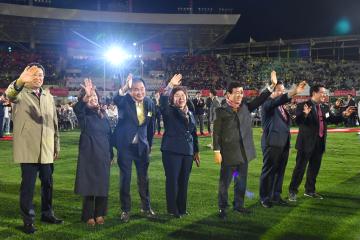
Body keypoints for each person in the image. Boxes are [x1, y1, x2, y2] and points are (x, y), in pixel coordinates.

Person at [5, 63, 63, 234]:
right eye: (34, 74)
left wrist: (56, 144)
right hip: (28, 148)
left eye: (41, 75)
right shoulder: (19, 93)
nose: (38, 78)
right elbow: (9, 93)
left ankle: (47, 213)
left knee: (48, 184)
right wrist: (20, 81)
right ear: (27, 76)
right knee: (28, 187)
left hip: (46, 148)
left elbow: (54, 122)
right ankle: (28, 220)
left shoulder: (48, 95)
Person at [213, 71, 278, 219]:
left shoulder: (245, 107)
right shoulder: (220, 111)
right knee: (225, 183)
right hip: (229, 155)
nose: (239, 95)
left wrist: (272, 85)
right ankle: (222, 208)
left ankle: (239, 205)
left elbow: (261, 99)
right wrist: (217, 150)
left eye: (241, 93)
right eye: (236, 93)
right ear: (228, 95)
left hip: (243, 153)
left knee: (241, 180)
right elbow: (216, 133)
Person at [288, 85, 355, 201]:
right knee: (300, 168)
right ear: (314, 93)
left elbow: (332, 119)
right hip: (306, 144)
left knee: (314, 168)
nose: (325, 95)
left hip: (319, 143)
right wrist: (305, 114)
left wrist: (344, 115)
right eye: (323, 93)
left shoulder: (323, 107)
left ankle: (310, 190)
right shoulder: (303, 105)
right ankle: (292, 191)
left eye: (325, 93)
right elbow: (298, 121)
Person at [112, 74, 156, 223]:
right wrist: (125, 86)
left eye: (142, 89)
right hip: (125, 147)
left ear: (145, 89)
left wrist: (150, 144)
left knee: (144, 179)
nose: (139, 92)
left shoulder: (149, 103)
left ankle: (146, 206)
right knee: (125, 180)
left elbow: (151, 126)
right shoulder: (125, 100)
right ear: (131, 91)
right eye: (136, 89)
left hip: (142, 147)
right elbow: (115, 99)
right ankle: (125, 210)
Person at [259, 80, 306, 208]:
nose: (282, 92)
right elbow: (279, 101)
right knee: (269, 171)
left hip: (283, 144)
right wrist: (294, 92)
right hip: (272, 143)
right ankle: (264, 197)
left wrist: (288, 145)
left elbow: (286, 125)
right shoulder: (267, 103)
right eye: (279, 90)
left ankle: (276, 195)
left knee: (280, 171)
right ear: (271, 92)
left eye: (283, 90)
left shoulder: (282, 107)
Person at [73, 79, 113, 226]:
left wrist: (111, 154)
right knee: (89, 185)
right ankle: (88, 215)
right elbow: (77, 109)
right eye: (91, 98)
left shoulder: (104, 115)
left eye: (95, 97)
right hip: (89, 154)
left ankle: (100, 213)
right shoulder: (84, 115)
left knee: (103, 185)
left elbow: (109, 136)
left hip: (103, 154)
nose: (94, 99)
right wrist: (85, 96)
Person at [160, 74, 200, 218]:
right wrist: (170, 85)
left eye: (183, 95)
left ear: (187, 97)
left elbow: (193, 133)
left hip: (187, 152)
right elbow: (162, 100)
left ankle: (182, 209)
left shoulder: (190, 112)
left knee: (184, 182)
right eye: (177, 95)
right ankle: (172, 210)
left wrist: (196, 151)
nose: (181, 98)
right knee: (172, 181)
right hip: (172, 152)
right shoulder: (169, 111)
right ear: (172, 98)